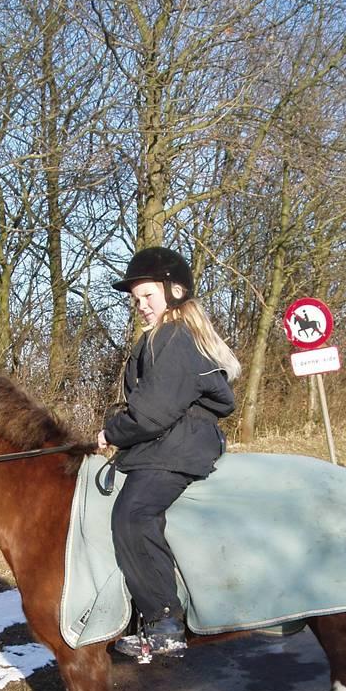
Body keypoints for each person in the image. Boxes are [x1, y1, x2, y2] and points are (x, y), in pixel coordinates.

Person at [97, 246, 240, 661]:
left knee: (133, 513)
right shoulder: (165, 337)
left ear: (175, 293)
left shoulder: (175, 339)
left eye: (148, 297)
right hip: (166, 441)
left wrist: (112, 433)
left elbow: (153, 412)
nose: (140, 307)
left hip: (177, 444)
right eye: (136, 300)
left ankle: (164, 622)